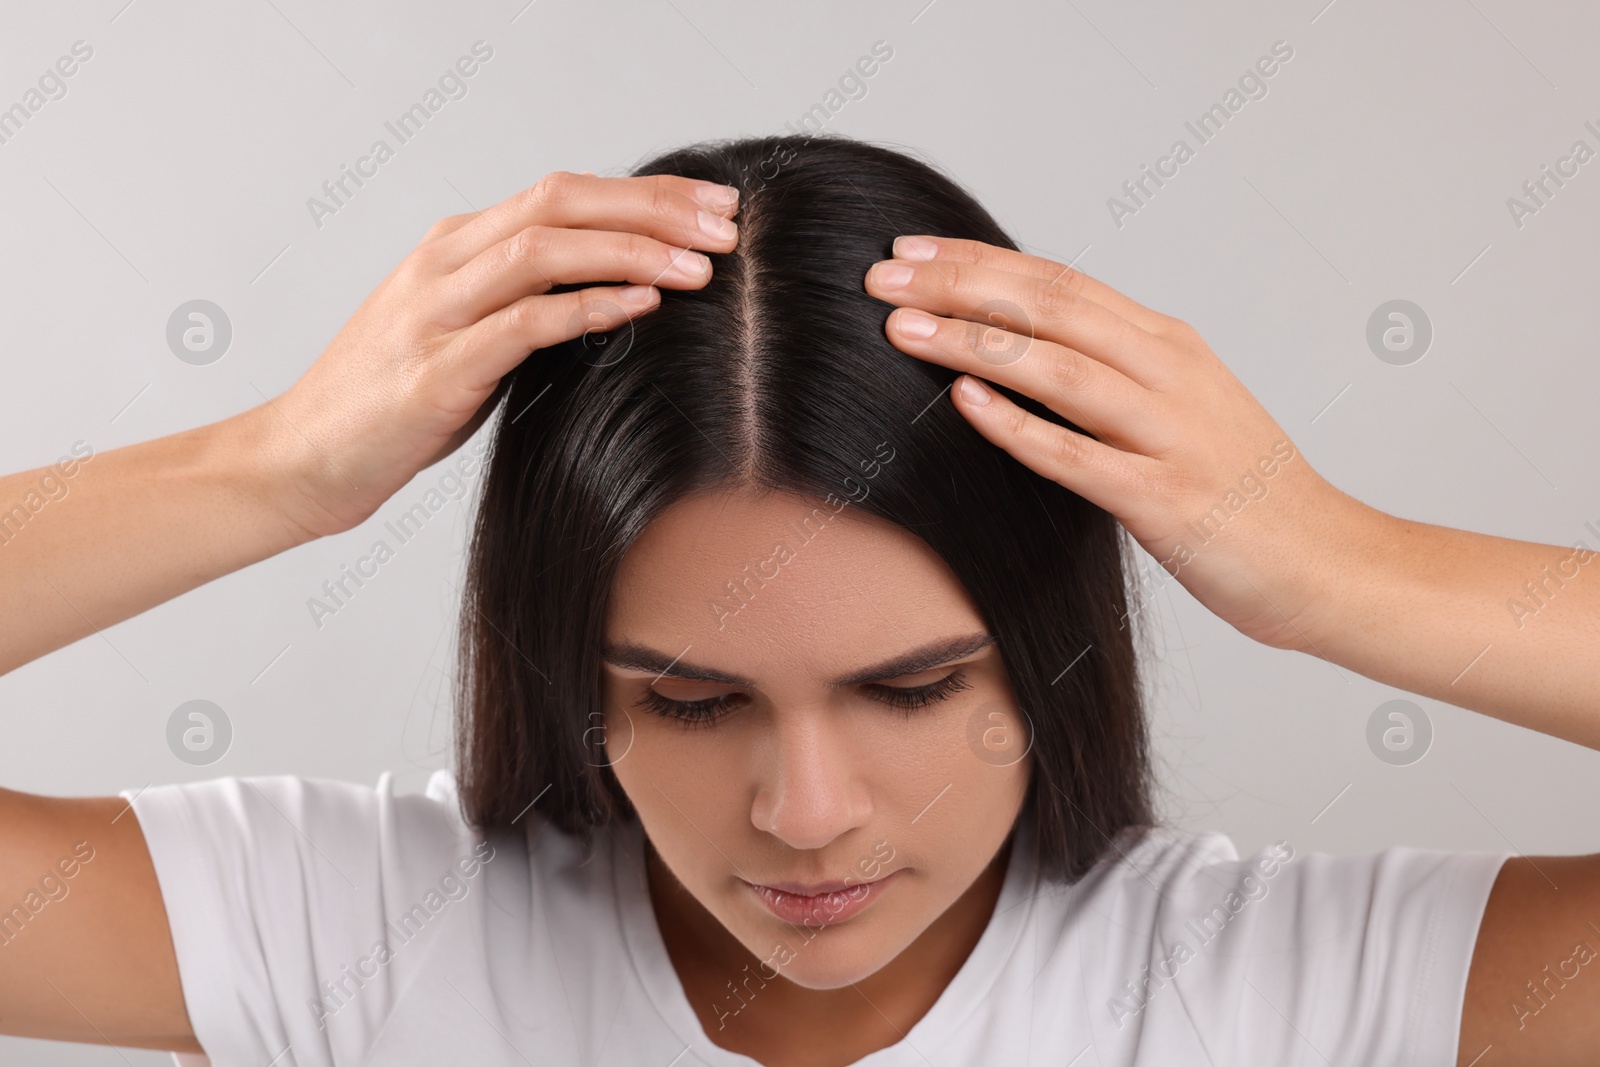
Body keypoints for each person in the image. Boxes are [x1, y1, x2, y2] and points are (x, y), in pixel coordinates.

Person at [0, 133, 1595, 1067]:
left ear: (1044, 658)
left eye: (911, 691)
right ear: (573, 674)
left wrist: (1335, 568)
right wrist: (273, 466)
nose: (808, 814)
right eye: (689, 702)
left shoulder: (1277, 986)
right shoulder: (369, 930)